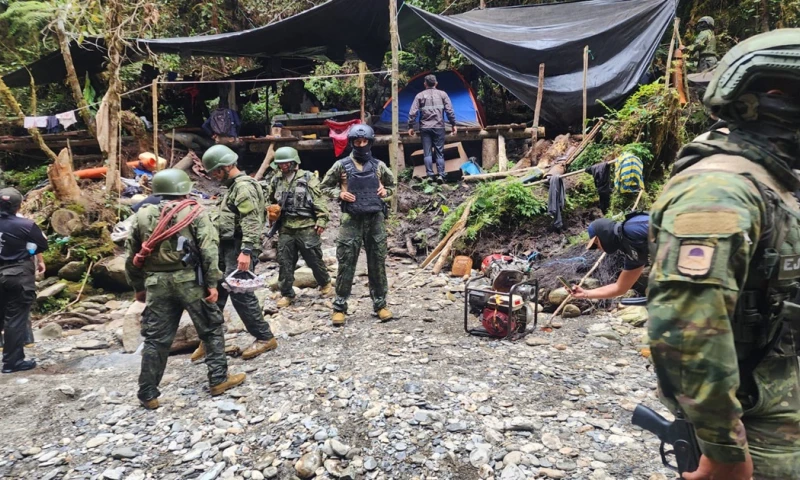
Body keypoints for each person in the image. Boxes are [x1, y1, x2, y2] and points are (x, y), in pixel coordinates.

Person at [648, 30, 800, 480]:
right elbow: (686, 325)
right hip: (758, 427)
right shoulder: (718, 189)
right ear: (774, 96)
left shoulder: (773, 182)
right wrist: (722, 451)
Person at [124, 170, 245, 409]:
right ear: (184, 189)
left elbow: (132, 254)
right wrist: (212, 283)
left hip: (156, 283)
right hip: (191, 282)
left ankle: (148, 393)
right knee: (211, 329)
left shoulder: (142, 214)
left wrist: (138, 287)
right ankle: (218, 379)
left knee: (156, 339)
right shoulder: (195, 212)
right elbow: (210, 250)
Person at [195, 145, 277, 362]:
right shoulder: (231, 188)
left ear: (227, 166)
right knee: (216, 290)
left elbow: (251, 220)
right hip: (227, 247)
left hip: (240, 248)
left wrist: (247, 251)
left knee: (241, 294)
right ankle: (209, 340)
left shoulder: (243, 187)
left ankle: (264, 337)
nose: (213, 176)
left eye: (215, 171)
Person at [320, 125, 396, 326]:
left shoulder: (379, 166)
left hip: (375, 219)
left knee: (377, 262)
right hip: (351, 220)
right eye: (357, 142)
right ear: (352, 142)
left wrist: (385, 193)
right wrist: (339, 194)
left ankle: (380, 304)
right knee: (346, 262)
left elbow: (393, 185)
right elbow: (324, 186)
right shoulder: (341, 166)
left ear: (370, 142)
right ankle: (339, 307)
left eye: (364, 142)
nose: (361, 145)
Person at [264, 146, 333, 308]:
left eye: (287, 163)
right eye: (280, 163)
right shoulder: (276, 180)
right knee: (285, 261)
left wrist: (322, 220)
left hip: (307, 226)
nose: (283, 166)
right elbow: (269, 199)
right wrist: (271, 210)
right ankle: (287, 293)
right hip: (286, 227)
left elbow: (319, 200)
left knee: (314, 259)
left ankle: (325, 284)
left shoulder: (308, 178)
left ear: (294, 162)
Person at [0, 188, 47, 373]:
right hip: (17, 274)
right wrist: (26, 252)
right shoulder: (26, 225)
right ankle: (12, 362)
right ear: (18, 205)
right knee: (15, 319)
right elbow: (42, 244)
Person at [570, 213, 649, 300]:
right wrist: (585, 293)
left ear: (603, 234)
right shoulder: (631, 252)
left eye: (596, 243)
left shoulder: (632, 227)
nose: (598, 248)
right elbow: (620, 288)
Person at [407, 74, 457, 183]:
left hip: (425, 128)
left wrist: (410, 126)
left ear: (425, 84)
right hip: (439, 127)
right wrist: (453, 124)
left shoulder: (419, 96)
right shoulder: (443, 94)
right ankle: (441, 175)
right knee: (439, 152)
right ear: (436, 83)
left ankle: (429, 175)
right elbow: (449, 111)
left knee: (427, 152)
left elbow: (413, 112)